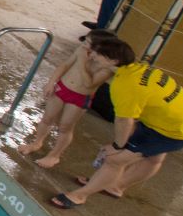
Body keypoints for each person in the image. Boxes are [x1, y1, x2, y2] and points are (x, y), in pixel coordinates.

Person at [50, 55, 183, 209]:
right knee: (153, 159)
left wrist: (117, 146)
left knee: (115, 160)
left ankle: (79, 196)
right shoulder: (139, 69)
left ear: (113, 60)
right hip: (176, 122)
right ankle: (114, 186)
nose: (92, 56)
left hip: (171, 132)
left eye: (98, 55)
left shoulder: (125, 86)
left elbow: (125, 120)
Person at [20, 31, 132, 168]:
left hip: (79, 97)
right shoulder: (81, 50)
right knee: (47, 118)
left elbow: (89, 84)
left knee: (65, 127)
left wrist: (82, 61)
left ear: (99, 48)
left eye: (88, 43)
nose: (84, 45)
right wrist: (51, 82)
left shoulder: (105, 67)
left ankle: (54, 155)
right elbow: (65, 65)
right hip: (62, 88)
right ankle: (36, 142)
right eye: (85, 41)